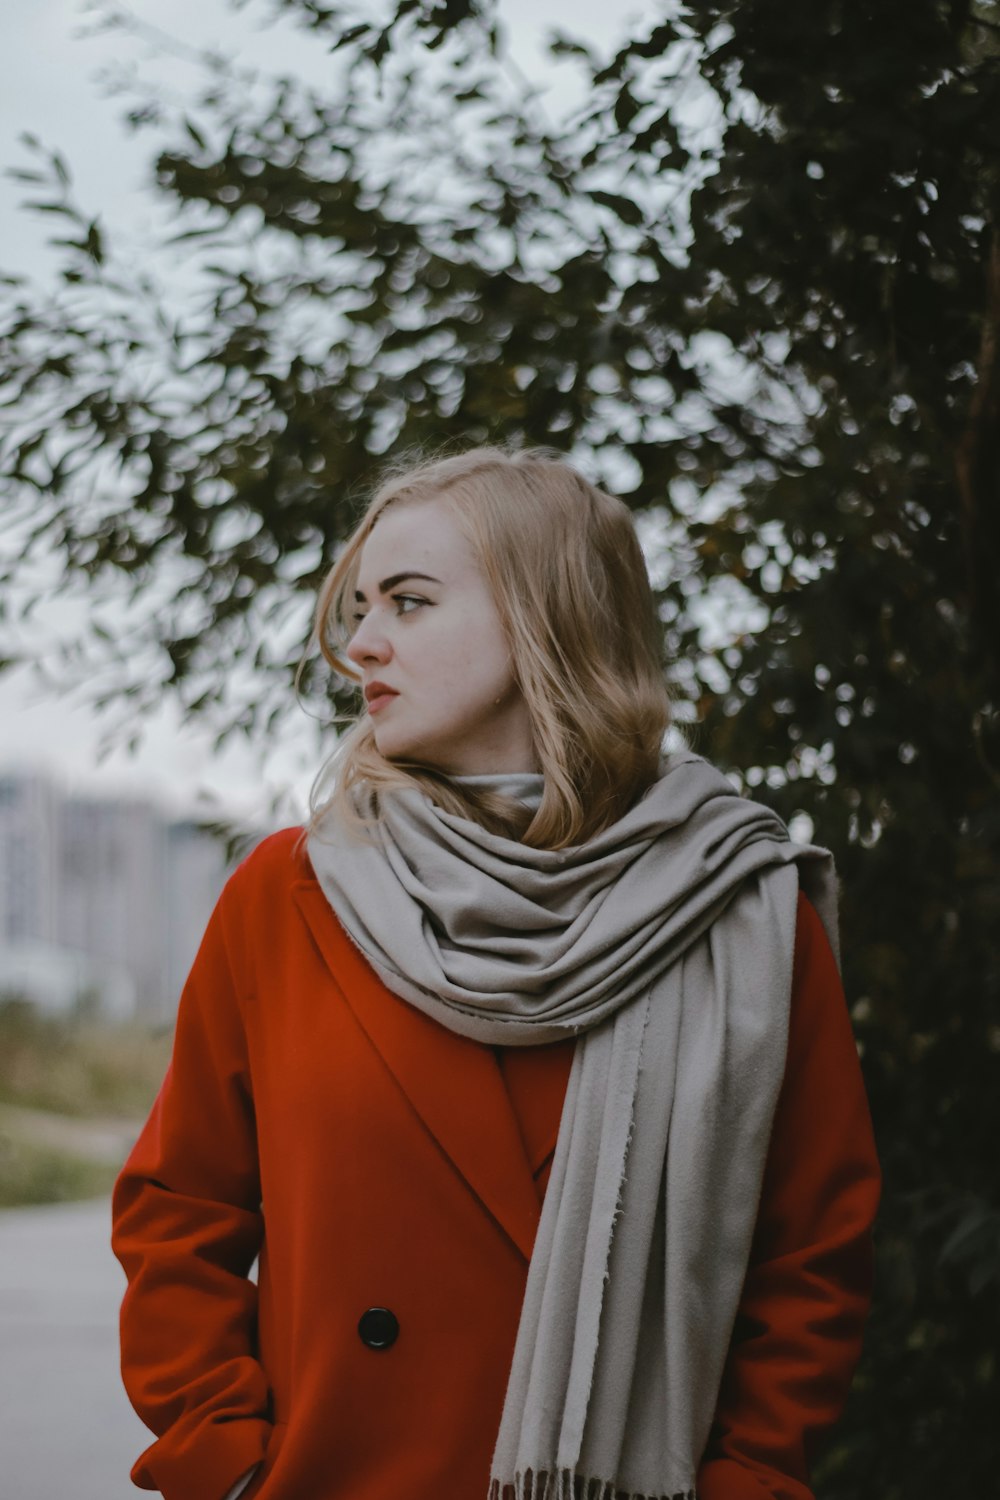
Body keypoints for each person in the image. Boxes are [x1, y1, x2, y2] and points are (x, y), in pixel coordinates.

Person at [111, 445, 881, 1500]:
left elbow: (810, 1260)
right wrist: (227, 1464)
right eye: (361, 606)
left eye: (409, 602)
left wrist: (745, 1480)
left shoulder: (739, 910)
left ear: (546, 617)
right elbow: (176, 1208)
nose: (360, 644)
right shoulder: (291, 894)